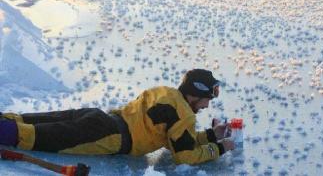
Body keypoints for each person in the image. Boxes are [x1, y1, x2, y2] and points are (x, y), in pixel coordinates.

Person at [0, 69, 235, 165]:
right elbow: (184, 155)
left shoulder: (167, 93)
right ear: (194, 95)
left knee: (32, 121)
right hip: (107, 137)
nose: (207, 105)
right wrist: (219, 148)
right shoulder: (185, 116)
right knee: (35, 136)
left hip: (99, 118)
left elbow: (175, 136)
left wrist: (211, 135)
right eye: (207, 99)